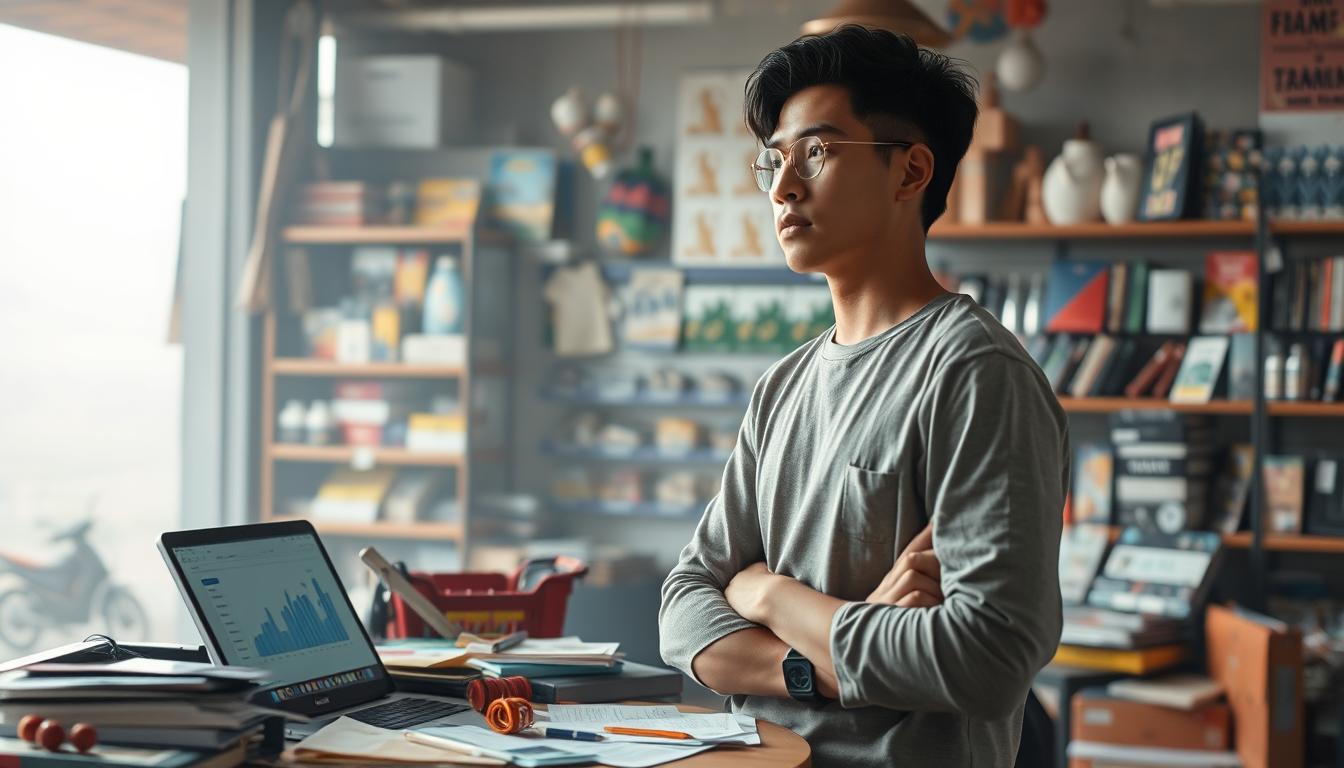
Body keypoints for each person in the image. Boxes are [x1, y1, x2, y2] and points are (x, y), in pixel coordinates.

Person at [658, 25, 1068, 768]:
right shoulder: (781, 387)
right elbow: (683, 611)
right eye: (774, 161)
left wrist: (773, 595)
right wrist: (822, 661)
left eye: (816, 152)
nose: (784, 185)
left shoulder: (974, 372)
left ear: (910, 172)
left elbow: (987, 658)